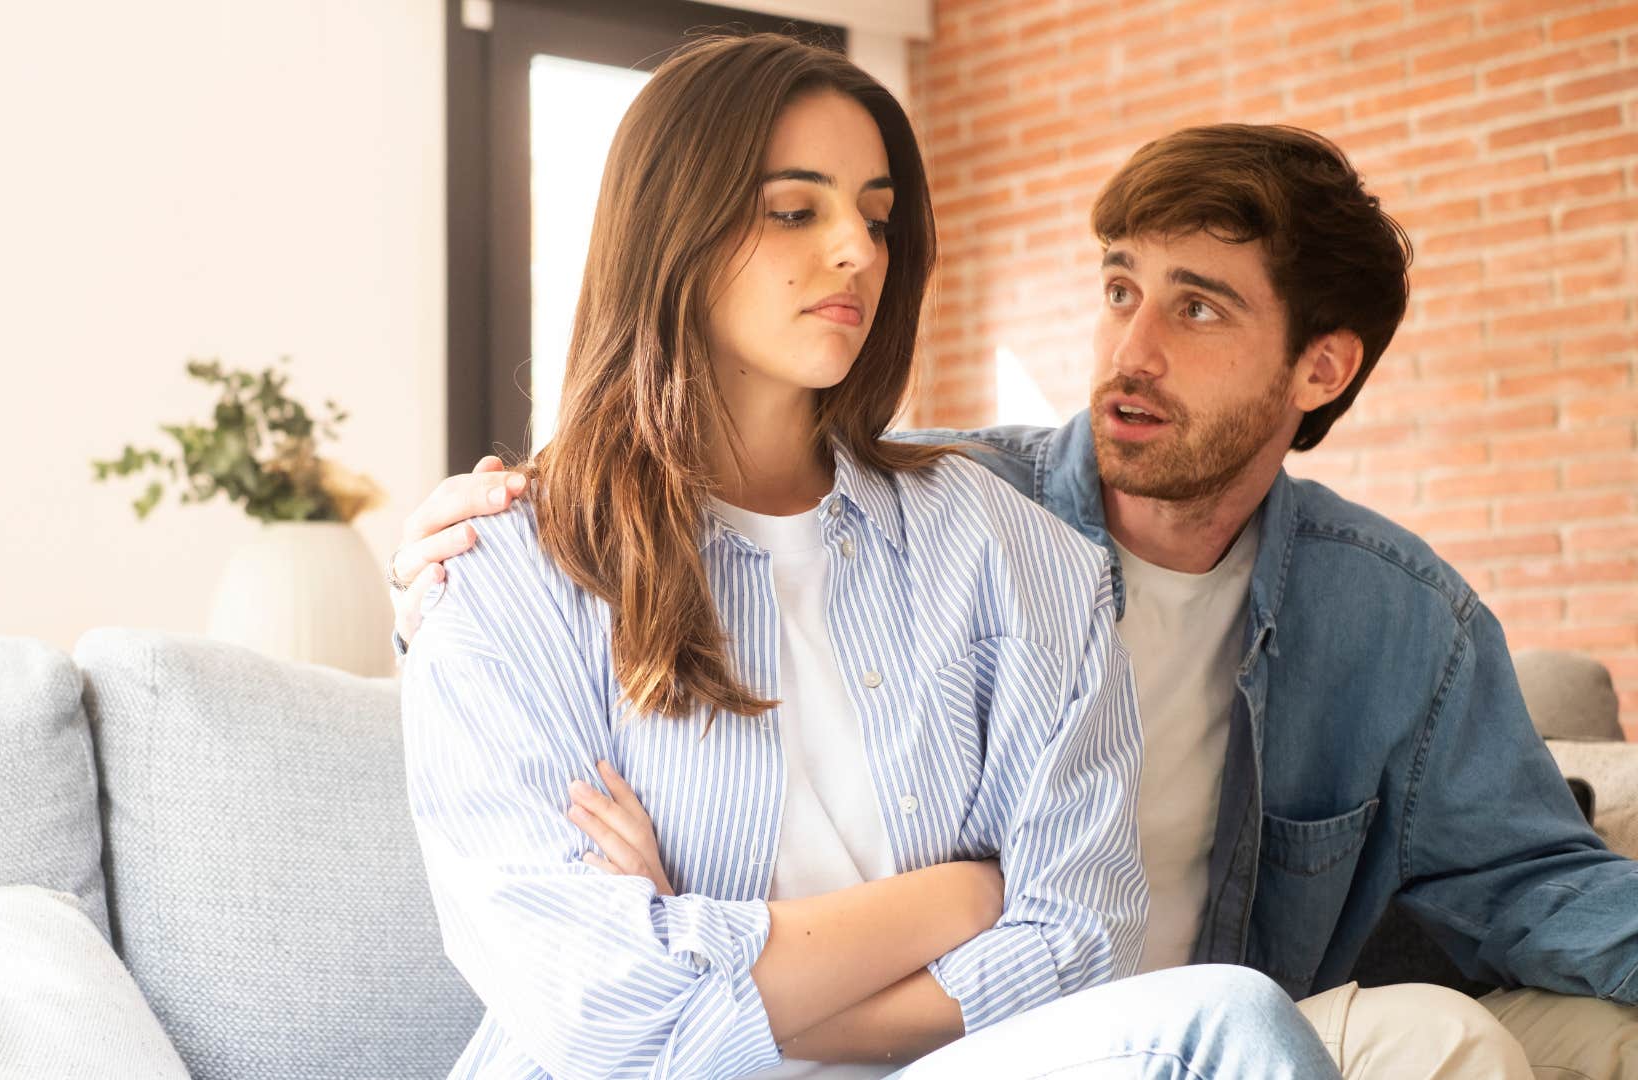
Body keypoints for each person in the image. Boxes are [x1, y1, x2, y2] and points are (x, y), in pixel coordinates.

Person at [396, 120, 1638, 1078]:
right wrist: (448, 570)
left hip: (1166, 1017)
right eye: (1118, 290)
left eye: (1195, 307)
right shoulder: (940, 513)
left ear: (1320, 367)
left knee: (1520, 1034)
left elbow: (1531, 884)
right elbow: (669, 540)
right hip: (966, 1030)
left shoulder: (1398, 617)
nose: (1129, 352)